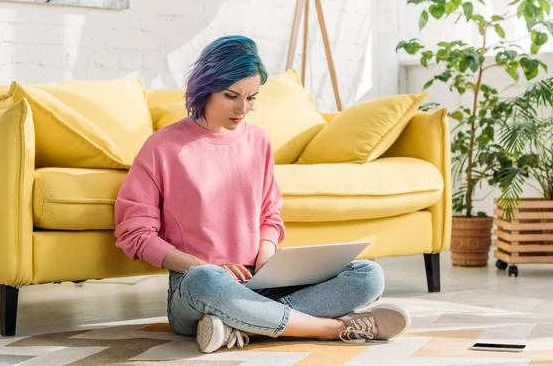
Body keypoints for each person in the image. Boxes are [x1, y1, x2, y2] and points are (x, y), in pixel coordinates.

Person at [114, 35, 411, 353]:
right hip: (198, 285)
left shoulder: (258, 141)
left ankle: (238, 326)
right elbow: (136, 234)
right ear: (205, 88)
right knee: (207, 282)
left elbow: (270, 214)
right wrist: (204, 266)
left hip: (263, 280)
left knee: (368, 275)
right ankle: (332, 329)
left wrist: (267, 257)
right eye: (231, 96)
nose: (243, 109)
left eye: (252, 98)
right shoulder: (162, 146)